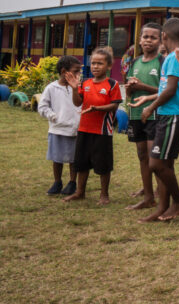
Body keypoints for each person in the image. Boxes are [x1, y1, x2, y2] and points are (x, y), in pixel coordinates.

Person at [130, 17, 179, 222]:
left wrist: (150, 107)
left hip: (174, 116)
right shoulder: (171, 58)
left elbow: (171, 90)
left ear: (163, 36)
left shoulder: (175, 58)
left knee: (156, 164)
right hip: (168, 115)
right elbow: (163, 89)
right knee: (165, 164)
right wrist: (149, 98)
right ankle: (162, 207)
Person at [63, 47, 122, 205]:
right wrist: (75, 89)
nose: (95, 66)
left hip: (102, 131)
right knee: (81, 163)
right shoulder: (86, 83)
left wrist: (97, 109)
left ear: (108, 66)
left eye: (100, 63)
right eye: (93, 63)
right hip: (84, 129)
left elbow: (114, 106)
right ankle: (80, 192)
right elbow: (78, 102)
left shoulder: (113, 84)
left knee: (103, 164)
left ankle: (104, 195)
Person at [124, 23, 164, 210]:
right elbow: (129, 91)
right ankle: (148, 194)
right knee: (141, 155)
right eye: (145, 37)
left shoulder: (162, 62)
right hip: (136, 114)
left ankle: (159, 191)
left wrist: (143, 87)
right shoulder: (134, 63)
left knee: (153, 156)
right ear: (139, 40)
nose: (148, 40)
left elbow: (167, 90)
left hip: (155, 114)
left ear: (160, 40)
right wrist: (131, 87)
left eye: (153, 37)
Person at [38, 55, 82, 196]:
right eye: (76, 71)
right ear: (64, 72)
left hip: (76, 129)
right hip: (57, 129)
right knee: (57, 158)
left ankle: (72, 182)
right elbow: (43, 107)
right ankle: (57, 182)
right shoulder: (52, 88)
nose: (78, 74)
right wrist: (53, 116)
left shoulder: (79, 88)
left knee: (73, 158)